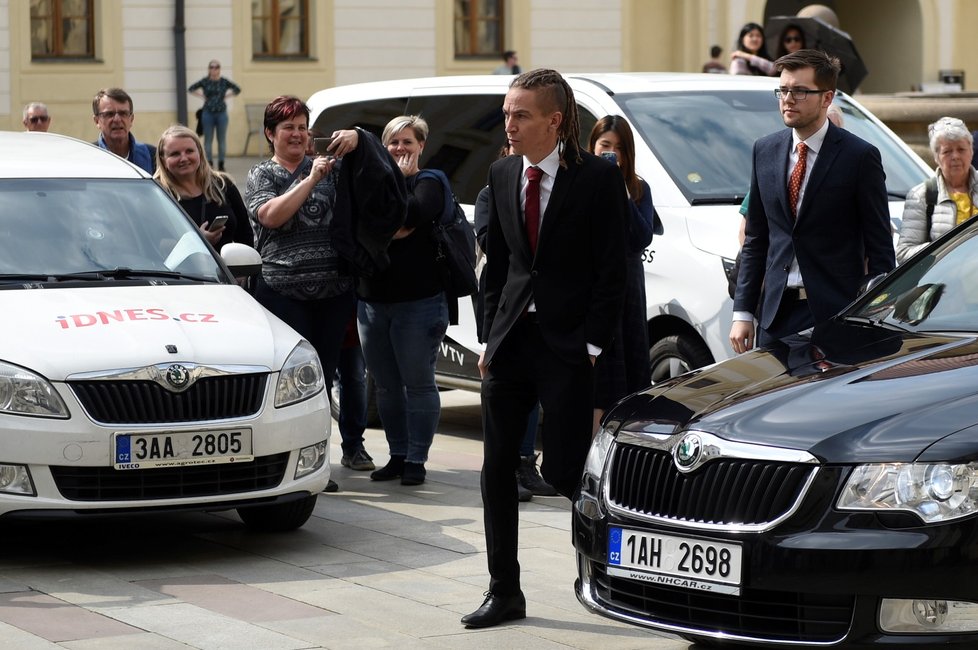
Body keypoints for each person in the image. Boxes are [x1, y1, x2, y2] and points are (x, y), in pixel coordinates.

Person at [461, 68, 627, 629]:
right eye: (507, 113)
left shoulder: (598, 180)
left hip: (569, 348)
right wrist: (490, 336)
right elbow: (499, 265)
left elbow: (613, 271)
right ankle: (504, 588)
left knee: (564, 470)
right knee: (496, 469)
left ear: (555, 121)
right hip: (510, 346)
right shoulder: (503, 172)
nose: (508, 124)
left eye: (521, 115)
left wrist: (592, 345)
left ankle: (603, 575)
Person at [730, 49, 894, 354]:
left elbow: (881, 248)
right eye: (783, 90)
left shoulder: (859, 157)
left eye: (800, 91)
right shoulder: (764, 151)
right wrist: (743, 312)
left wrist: (874, 313)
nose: (788, 99)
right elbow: (757, 239)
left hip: (837, 313)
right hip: (775, 315)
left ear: (827, 98)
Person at [245, 96, 372, 488]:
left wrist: (359, 138)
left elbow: (374, 170)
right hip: (283, 294)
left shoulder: (331, 169)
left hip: (334, 294)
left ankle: (322, 464)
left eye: (302, 126)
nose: (297, 134)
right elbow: (271, 215)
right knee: (290, 384)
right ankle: (293, 465)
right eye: (288, 128)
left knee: (322, 382)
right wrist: (311, 179)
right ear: (271, 134)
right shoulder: (261, 175)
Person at [358, 115, 449, 487]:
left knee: (418, 382)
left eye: (407, 142)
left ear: (421, 146)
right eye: (393, 142)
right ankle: (396, 455)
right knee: (385, 386)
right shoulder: (369, 180)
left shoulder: (432, 180)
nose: (400, 149)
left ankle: (416, 458)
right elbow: (363, 222)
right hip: (371, 301)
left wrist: (403, 186)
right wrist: (389, 225)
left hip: (419, 301)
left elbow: (413, 212)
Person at [474, 144, 553, 502]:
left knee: (535, 394)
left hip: (547, 318)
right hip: (508, 308)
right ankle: (509, 465)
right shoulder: (491, 192)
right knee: (505, 394)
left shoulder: (560, 185)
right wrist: (490, 340)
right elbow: (493, 245)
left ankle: (526, 460)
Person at [588, 115, 655, 430]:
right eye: (605, 145)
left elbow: (642, 237)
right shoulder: (580, 183)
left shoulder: (638, 189)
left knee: (628, 374)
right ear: (593, 146)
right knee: (597, 379)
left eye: (618, 148)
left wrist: (622, 192)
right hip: (592, 289)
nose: (611, 153)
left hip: (627, 290)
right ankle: (587, 458)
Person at [154, 125, 253, 251]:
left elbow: (245, 233)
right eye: (175, 154)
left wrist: (250, 266)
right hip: (183, 270)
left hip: (227, 268)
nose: (184, 158)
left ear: (200, 152)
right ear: (163, 160)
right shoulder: (157, 194)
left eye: (189, 151)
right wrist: (196, 242)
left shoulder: (223, 184)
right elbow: (154, 244)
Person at [897, 116, 978, 263]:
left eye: (961, 149)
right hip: (946, 283)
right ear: (936, 157)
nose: (955, 156)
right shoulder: (921, 195)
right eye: (947, 151)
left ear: (971, 152)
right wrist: (945, 249)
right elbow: (904, 253)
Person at [188, 60, 242, 172]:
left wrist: (227, 96)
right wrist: (201, 95)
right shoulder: (205, 81)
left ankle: (221, 164)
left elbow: (237, 89)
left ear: (219, 69)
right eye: (212, 67)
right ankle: (209, 163)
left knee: (221, 140)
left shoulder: (223, 81)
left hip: (221, 114)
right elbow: (191, 88)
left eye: (216, 67)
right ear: (209, 69)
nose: (214, 69)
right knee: (208, 140)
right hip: (208, 113)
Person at [92, 87, 156, 174]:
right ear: (97, 121)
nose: (117, 119)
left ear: (131, 119)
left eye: (123, 113)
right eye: (109, 114)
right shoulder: (88, 157)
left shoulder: (151, 155)